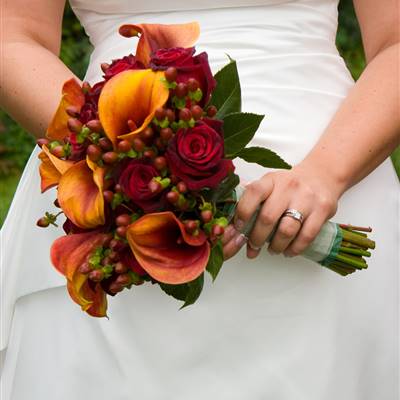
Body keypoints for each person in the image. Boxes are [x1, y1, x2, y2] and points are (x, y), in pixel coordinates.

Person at [1, 0, 399, 399]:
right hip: (117, 204)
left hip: (339, 176)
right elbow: (14, 35)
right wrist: (122, 160)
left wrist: (327, 173)